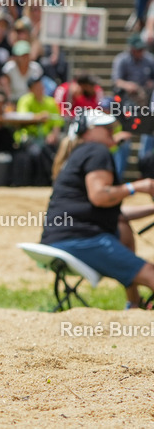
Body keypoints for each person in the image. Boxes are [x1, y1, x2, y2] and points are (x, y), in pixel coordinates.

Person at [41, 111, 154, 309]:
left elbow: (116, 215)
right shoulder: (97, 151)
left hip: (61, 237)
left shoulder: (81, 153)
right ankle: (134, 302)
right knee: (151, 275)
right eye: (105, 127)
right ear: (88, 132)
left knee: (122, 225)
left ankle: (134, 303)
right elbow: (100, 196)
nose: (112, 129)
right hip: (82, 239)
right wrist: (136, 186)